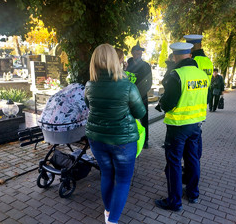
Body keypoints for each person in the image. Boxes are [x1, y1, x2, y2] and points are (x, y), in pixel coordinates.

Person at [85, 44, 146, 224]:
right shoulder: (127, 86)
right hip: (123, 141)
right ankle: (112, 221)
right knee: (123, 181)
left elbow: (90, 107)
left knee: (106, 174)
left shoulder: (89, 85)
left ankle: (108, 212)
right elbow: (140, 113)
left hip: (97, 139)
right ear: (115, 60)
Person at [154, 42, 209, 211]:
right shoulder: (202, 74)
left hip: (178, 126)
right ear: (190, 56)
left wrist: (161, 102)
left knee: (174, 163)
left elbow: (169, 103)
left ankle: (174, 202)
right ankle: (193, 194)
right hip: (196, 125)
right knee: (193, 160)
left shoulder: (176, 74)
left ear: (176, 56)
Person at [126, 42, 152, 149]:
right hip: (128, 97)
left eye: (140, 51)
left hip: (141, 97)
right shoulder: (128, 64)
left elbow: (149, 82)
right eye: (137, 51)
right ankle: (130, 139)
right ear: (132, 52)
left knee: (144, 118)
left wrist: (140, 94)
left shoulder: (146, 66)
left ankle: (145, 140)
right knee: (128, 117)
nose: (139, 53)